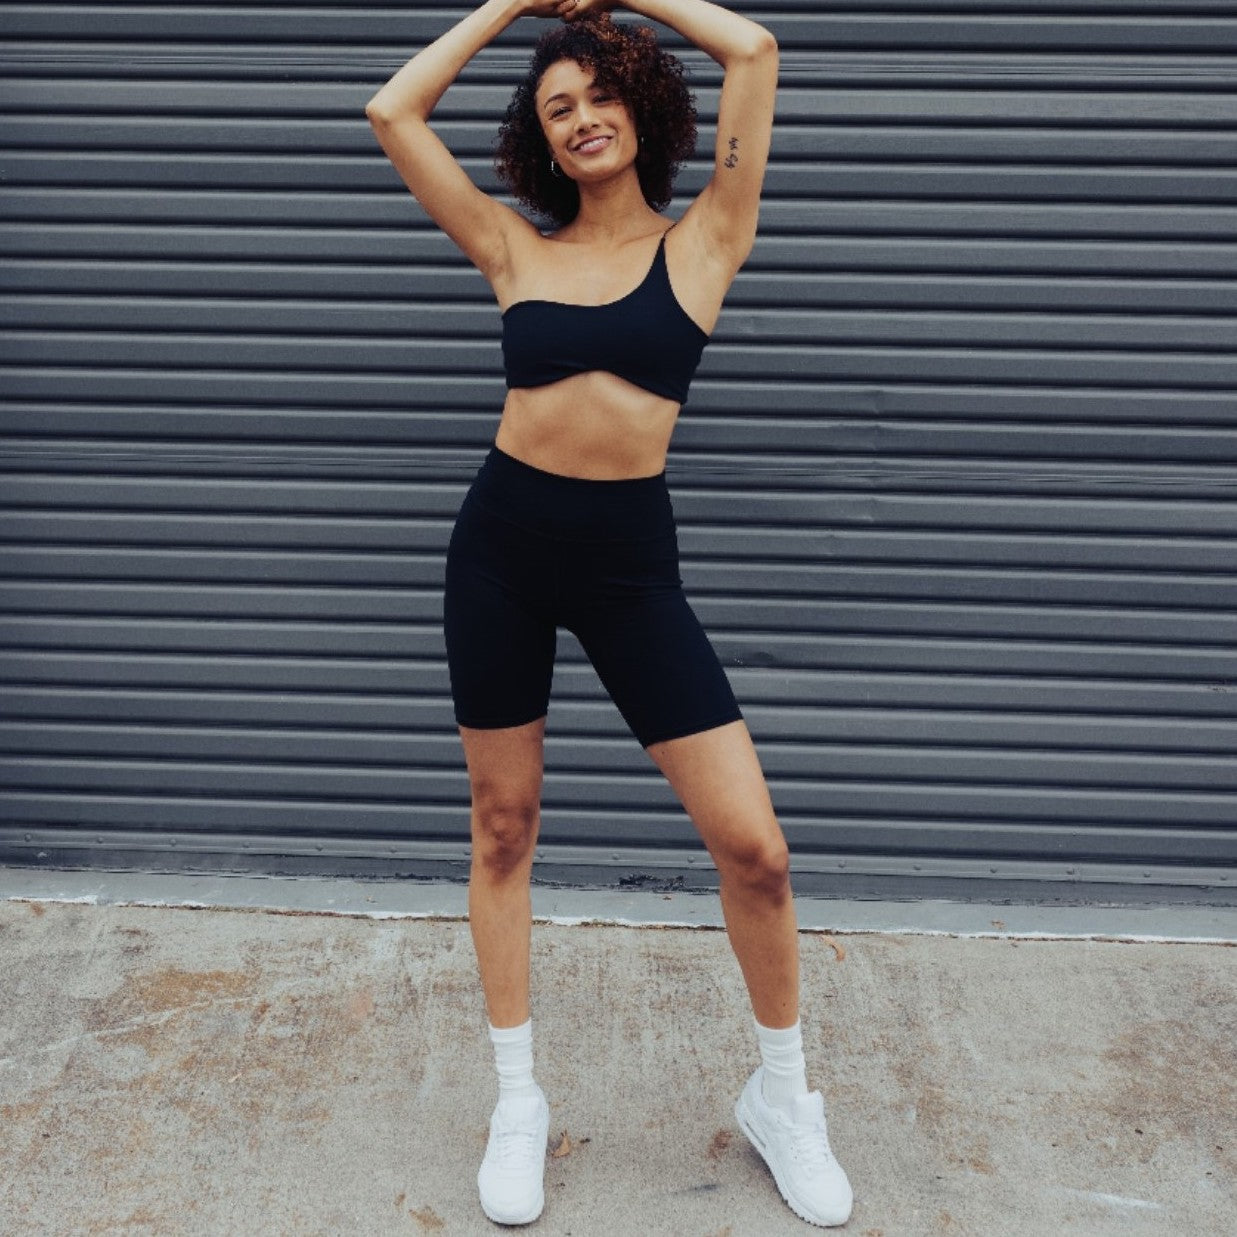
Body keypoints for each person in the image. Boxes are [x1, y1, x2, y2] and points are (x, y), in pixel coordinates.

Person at [366, 0, 852, 1227]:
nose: (581, 118)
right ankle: (517, 1101)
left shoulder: (708, 238)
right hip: (500, 553)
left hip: (630, 567)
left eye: (597, 94)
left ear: (639, 102)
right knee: (503, 826)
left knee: (756, 848)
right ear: (540, 139)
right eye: (557, 108)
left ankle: (782, 1097)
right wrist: (510, 7)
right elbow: (391, 111)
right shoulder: (512, 248)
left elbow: (752, 50)